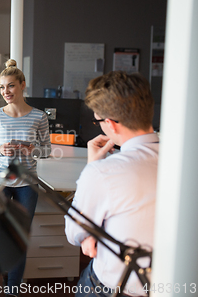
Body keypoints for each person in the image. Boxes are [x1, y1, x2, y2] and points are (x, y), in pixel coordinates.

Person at [65, 71, 158, 296]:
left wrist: (92, 168)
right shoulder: (185, 159)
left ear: (111, 124)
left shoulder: (103, 172)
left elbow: (74, 232)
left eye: (99, 121)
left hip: (116, 288)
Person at [0, 59, 51, 296]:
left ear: (22, 85)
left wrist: (34, 149)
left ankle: (13, 290)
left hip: (26, 185)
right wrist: (0, 149)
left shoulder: (39, 116)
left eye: (10, 86)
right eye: (2, 87)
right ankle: (6, 277)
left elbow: (48, 150)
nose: (5, 92)